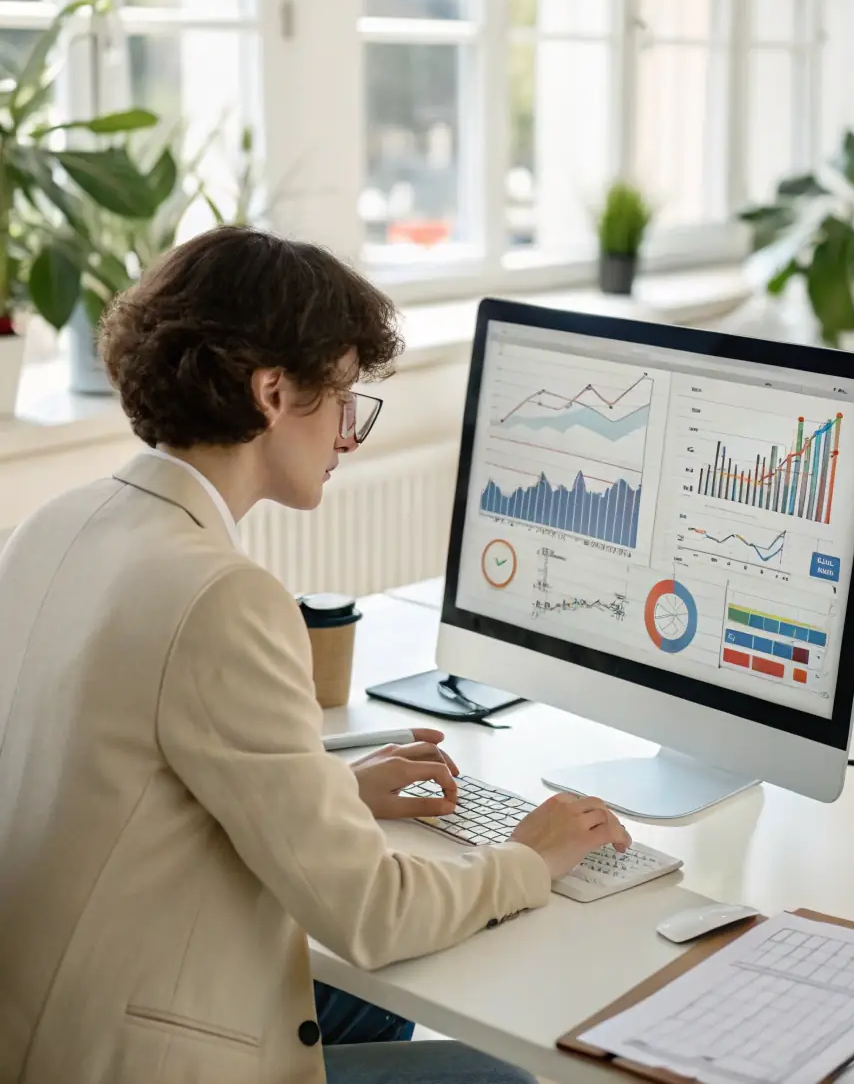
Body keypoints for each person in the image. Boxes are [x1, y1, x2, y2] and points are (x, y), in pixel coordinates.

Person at [0, 226, 631, 1084]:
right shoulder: (221, 596)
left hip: (42, 1018)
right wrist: (530, 857)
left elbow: (127, 784)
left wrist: (332, 792)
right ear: (271, 392)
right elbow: (373, 913)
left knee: (375, 1004)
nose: (347, 436)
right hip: (120, 1058)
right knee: (500, 1074)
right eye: (342, 399)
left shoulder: (54, 523)